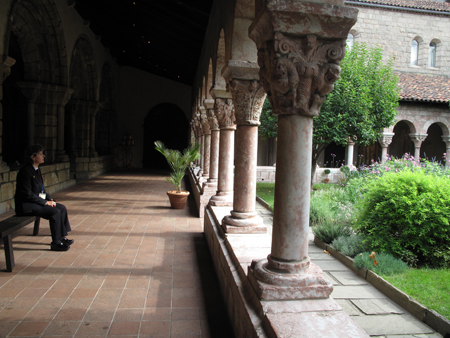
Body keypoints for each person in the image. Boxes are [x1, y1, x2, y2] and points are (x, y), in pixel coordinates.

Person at [14, 145, 73, 251]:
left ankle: (61, 237)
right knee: (54, 212)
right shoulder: (25, 172)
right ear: (33, 157)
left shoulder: (36, 170)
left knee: (62, 208)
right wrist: (45, 203)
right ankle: (55, 242)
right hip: (27, 205)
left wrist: (50, 199)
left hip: (36, 202)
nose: (43, 156)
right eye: (41, 154)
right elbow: (27, 194)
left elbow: (42, 190)